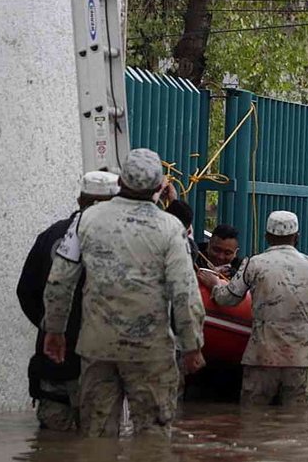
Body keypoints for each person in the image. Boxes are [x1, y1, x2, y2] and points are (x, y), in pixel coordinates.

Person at [42, 148, 207, 436]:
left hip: (97, 346)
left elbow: (60, 279)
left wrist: (54, 331)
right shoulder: (171, 228)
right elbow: (184, 291)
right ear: (159, 187)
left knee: (96, 435)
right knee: (152, 437)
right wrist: (192, 344)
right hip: (151, 350)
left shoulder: (85, 220)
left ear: (120, 182)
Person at [16, 171, 119, 431]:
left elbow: (26, 292)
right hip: (101, 361)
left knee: (52, 443)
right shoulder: (123, 243)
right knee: (99, 444)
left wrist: (50, 325)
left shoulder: (51, 236)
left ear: (79, 199)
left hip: (54, 359)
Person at [197, 210, 308, 406]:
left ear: (267, 236)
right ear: (297, 237)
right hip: (300, 359)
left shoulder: (254, 263)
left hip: (262, 355)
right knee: (296, 423)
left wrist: (214, 284)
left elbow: (228, 299)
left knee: (253, 420)